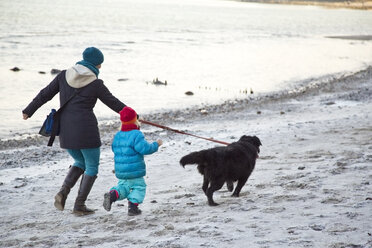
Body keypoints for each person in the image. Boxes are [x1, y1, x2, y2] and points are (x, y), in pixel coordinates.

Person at [22, 47, 126, 216]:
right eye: (100, 64)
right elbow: (112, 102)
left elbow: (45, 94)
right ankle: (79, 205)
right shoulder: (96, 83)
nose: (100, 67)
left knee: (80, 161)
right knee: (92, 166)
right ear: (95, 63)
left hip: (65, 130)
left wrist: (28, 110)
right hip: (87, 130)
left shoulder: (63, 75)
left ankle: (63, 192)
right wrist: (131, 115)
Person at [103, 106, 162, 216]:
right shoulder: (136, 134)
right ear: (135, 120)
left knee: (123, 187)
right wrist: (156, 144)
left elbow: (114, 149)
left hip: (121, 171)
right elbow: (145, 149)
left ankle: (112, 195)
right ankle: (133, 208)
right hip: (134, 171)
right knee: (139, 187)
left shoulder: (118, 135)